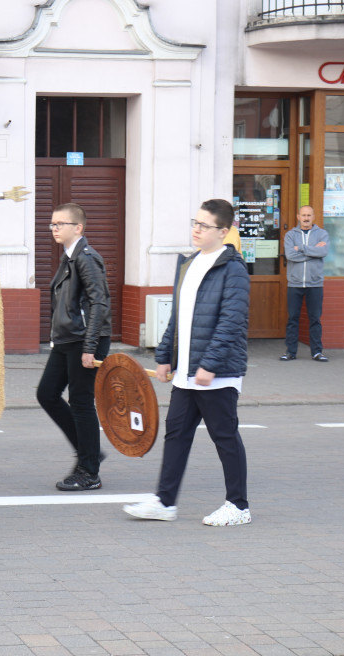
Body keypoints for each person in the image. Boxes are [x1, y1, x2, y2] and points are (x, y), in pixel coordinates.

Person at [124, 198, 252, 526]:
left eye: (204, 225)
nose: (196, 230)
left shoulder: (233, 269)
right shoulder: (189, 263)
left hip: (216, 374)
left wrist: (209, 365)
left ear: (223, 231)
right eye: (194, 223)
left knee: (224, 435)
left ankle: (238, 506)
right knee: (177, 433)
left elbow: (231, 321)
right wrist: (164, 357)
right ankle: (165, 502)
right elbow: (177, 318)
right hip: (186, 373)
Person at [36, 202, 112, 492]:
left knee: (80, 402)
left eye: (60, 224)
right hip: (68, 339)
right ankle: (88, 450)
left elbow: (99, 303)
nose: (54, 229)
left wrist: (90, 347)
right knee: (47, 394)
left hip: (84, 341)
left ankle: (89, 471)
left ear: (77, 228)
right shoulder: (69, 257)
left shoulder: (86, 258)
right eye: (52, 224)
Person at [281, 205, 329, 362]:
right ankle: (290, 352)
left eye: (309, 215)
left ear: (313, 217)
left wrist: (300, 248)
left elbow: (323, 252)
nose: (306, 218)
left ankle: (317, 352)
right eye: (303, 215)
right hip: (294, 284)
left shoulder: (322, 234)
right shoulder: (290, 235)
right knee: (292, 319)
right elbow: (290, 255)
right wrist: (312, 252)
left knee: (315, 319)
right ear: (298, 217)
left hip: (314, 284)